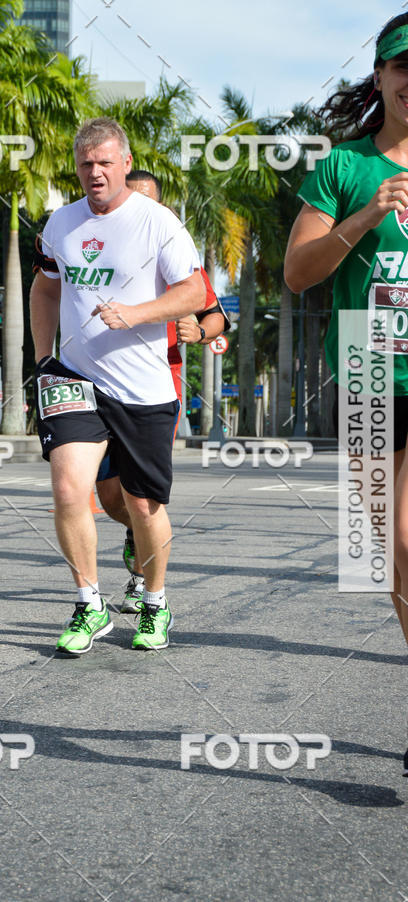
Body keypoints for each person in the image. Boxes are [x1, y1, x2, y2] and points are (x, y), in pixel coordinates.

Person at [284, 13, 408, 775]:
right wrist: (370, 214)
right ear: (382, 78)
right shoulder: (345, 168)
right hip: (368, 375)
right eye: (403, 68)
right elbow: (300, 273)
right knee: (395, 560)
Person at [30, 118, 205, 655]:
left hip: (144, 387)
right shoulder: (60, 223)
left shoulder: (158, 224)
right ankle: (89, 603)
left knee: (142, 503)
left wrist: (138, 313)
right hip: (77, 380)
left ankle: (154, 602)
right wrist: (43, 360)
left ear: (126, 163)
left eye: (106, 162)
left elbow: (195, 292)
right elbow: (44, 289)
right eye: (86, 164)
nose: (96, 173)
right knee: (67, 488)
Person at [95, 169, 230, 613]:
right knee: (110, 496)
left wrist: (198, 331)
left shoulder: (172, 251)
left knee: (140, 496)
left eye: (148, 201)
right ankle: (137, 533)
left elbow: (216, 317)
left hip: (155, 387)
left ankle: (143, 580)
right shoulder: (98, 245)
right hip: (97, 385)